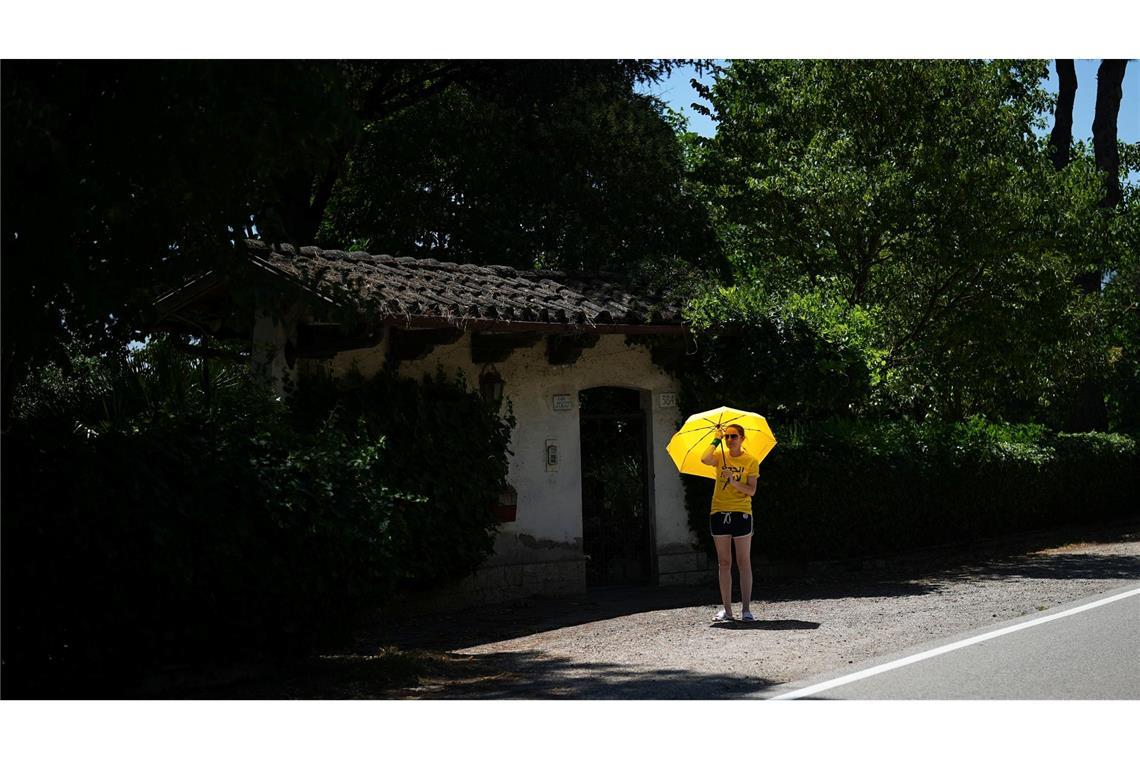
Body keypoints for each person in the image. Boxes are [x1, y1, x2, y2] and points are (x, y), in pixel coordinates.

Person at [700, 423, 760, 622]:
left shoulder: (751, 460)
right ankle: (727, 610)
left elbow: (751, 491)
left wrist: (733, 480)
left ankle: (746, 609)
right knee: (724, 562)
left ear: (742, 438)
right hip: (719, 511)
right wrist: (715, 439)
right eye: (727, 437)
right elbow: (704, 458)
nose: (730, 440)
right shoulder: (719, 457)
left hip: (741, 512)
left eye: (733, 436)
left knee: (744, 561)